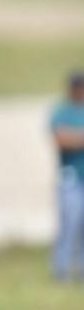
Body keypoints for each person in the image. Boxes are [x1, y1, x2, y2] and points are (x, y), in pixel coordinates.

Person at [49, 71, 84, 283]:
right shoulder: (62, 112)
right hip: (70, 179)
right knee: (69, 225)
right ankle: (62, 272)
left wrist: (76, 137)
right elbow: (61, 139)